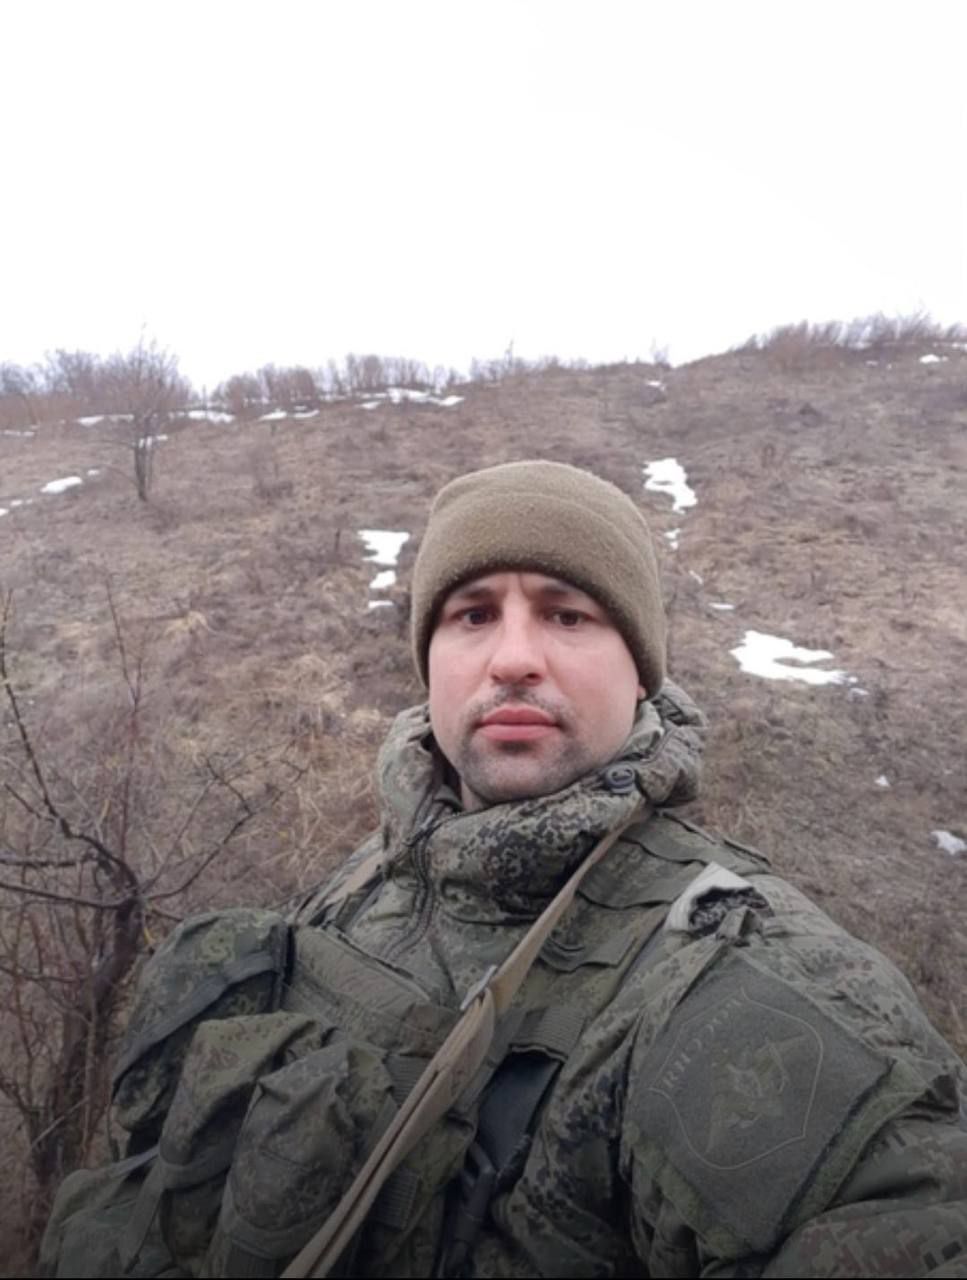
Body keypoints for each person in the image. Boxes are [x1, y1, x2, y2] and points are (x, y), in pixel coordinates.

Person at [43, 461, 967, 1278]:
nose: (514, 658)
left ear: (640, 671)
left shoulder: (744, 977)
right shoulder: (375, 872)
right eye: (472, 614)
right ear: (429, 662)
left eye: (568, 614)